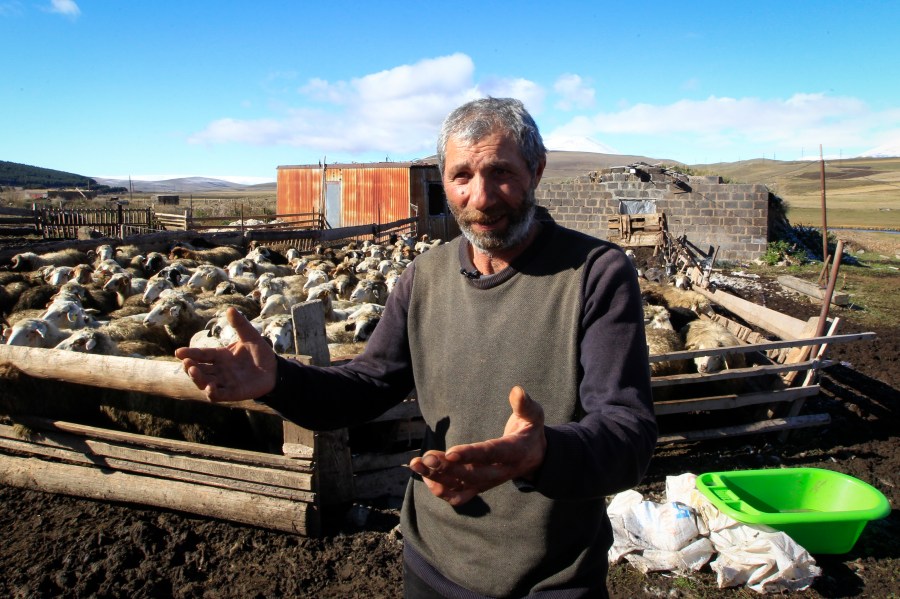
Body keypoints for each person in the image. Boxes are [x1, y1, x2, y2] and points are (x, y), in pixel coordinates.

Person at [176, 97, 657, 598]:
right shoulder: (424, 278)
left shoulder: (596, 273)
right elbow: (366, 384)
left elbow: (628, 432)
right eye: (461, 176)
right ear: (444, 179)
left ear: (536, 171)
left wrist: (543, 453)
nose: (481, 197)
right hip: (431, 566)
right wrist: (279, 379)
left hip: (553, 579)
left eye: (501, 173)